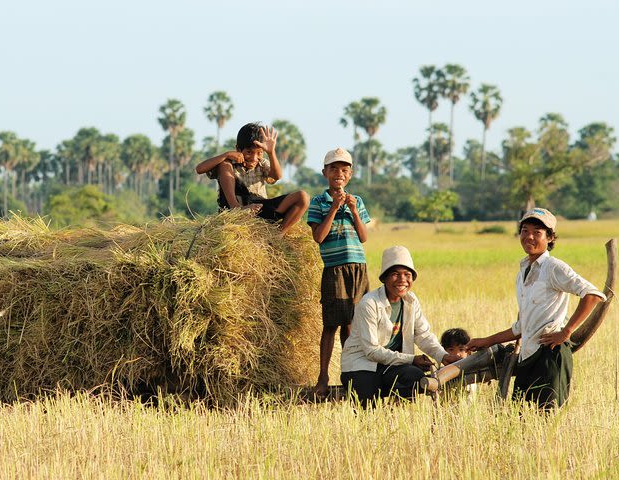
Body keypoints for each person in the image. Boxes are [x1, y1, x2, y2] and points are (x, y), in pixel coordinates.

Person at [466, 208, 606, 409]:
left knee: (546, 418)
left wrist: (566, 332)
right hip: (528, 356)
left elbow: (592, 295)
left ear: (550, 238)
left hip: (550, 355)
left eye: (537, 232)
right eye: (524, 230)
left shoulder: (553, 267)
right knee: (522, 417)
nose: (529, 237)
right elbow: (522, 326)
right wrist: (486, 341)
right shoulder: (523, 271)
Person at [340, 246, 461, 407]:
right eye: (395, 274)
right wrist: (411, 359)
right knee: (368, 404)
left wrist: (443, 356)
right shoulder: (369, 303)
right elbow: (371, 351)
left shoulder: (411, 301)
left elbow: (423, 335)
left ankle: (397, 413)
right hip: (361, 364)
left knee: (414, 376)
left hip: (392, 365)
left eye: (407, 275)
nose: (402, 280)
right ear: (384, 278)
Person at [306, 148, 370, 398]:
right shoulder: (318, 202)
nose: (339, 174)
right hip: (334, 269)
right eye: (333, 169)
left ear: (350, 174)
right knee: (331, 324)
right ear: (325, 173)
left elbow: (363, 238)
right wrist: (334, 208)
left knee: (351, 326)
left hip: (358, 267)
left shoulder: (358, 201)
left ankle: (350, 374)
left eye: (344, 170)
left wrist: (353, 210)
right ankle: (323, 376)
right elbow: (318, 236)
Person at [195, 122, 309, 235]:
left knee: (303, 197)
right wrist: (226, 155)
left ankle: (279, 234)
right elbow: (199, 169)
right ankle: (236, 207)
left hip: (258, 209)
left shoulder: (262, 163)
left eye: (259, 153)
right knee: (224, 164)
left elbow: (277, 176)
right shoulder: (230, 162)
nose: (254, 158)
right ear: (238, 149)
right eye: (249, 152)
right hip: (234, 210)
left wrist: (271, 152)